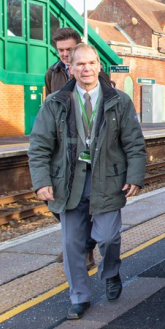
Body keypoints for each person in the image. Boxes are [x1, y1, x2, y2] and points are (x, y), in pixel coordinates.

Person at [28, 44, 146, 319]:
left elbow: (134, 143)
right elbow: (39, 145)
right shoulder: (56, 102)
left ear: (99, 66)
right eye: (79, 64)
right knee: (72, 244)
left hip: (107, 179)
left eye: (91, 63)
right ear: (71, 68)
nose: (86, 69)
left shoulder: (119, 101)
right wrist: (41, 181)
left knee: (108, 237)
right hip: (68, 182)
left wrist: (135, 176)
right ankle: (79, 296)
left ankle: (111, 272)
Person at [44, 27, 111, 268]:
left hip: (90, 147)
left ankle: (85, 248)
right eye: (60, 50)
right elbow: (50, 108)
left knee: (87, 202)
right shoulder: (52, 73)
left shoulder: (95, 74)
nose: (64, 54)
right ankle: (76, 240)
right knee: (56, 199)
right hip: (64, 147)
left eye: (69, 49)